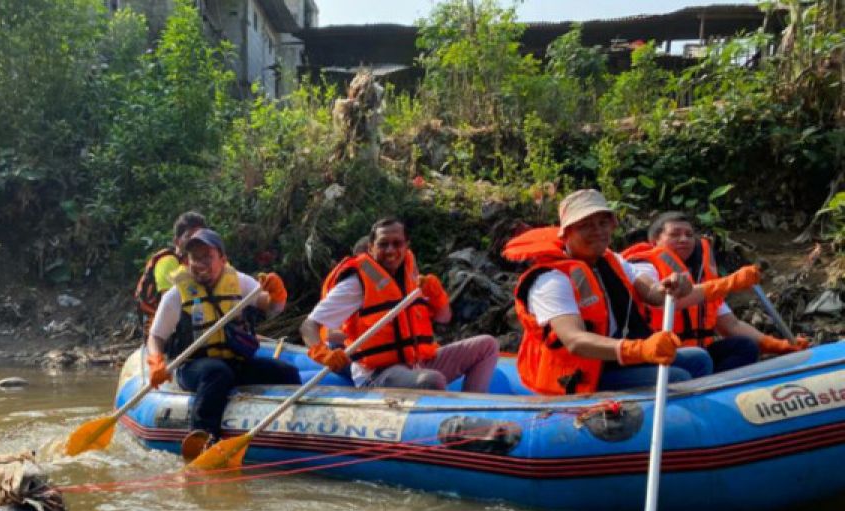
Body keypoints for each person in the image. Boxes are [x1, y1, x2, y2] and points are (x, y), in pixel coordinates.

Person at [505, 189, 760, 395]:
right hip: (585, 372)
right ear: (567, 233)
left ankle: (692, 428)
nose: (598, 231)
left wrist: (673, 286)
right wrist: (639, 349)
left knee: (700, 359)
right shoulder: (551, 280)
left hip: (618, 359)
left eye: (603, 223)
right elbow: (574, 340)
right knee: (679, 376)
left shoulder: (613, 260)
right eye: (586, 225)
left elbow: (653, 293)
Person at [299, 218, 499, 391]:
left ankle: (471, 412)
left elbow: (444, 318)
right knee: (432, 380)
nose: (391, 250)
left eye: (397, 244)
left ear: (406, 246)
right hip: (378, 373)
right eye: (383, 244)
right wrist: (322, 353)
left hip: (417, 363)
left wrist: (438, 297)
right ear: (371, 248)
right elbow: (308, 326)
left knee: (487, 345)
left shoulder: (411, 275)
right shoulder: (357, 283)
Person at [147, 228, 301, 450]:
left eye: (207, 257)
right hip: (194, 368)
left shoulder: (240, 282)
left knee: (286, 372)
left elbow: (272, 307)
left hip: (235, 362)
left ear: (222, 259)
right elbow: (156, 335)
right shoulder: (176, 294)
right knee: (217, 372)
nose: (200, 263)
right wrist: (156, 361)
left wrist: (277, 294)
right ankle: (202, 437)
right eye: (194, 258)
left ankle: (289, 432)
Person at [622, 212, 808, 371]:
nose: (684, 239)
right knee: (699, 358)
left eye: (689, 234)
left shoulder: (701, 277)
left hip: (699, 352)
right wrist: (731, 282)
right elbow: (668, 301)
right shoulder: (643, 266)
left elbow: (731, 325)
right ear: (655, 241)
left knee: (745, 347)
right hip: (659, 353)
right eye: (675, 234)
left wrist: (779, 345)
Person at [134, 211, 207, 327]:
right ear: (176, 241)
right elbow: (169, 304)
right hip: (160, 329)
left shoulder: (198, 262)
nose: (194, 241)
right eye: (189, 236)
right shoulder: (168, 261)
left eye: (199, 236)